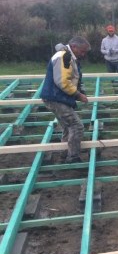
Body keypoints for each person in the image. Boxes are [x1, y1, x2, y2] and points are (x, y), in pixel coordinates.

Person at [41, 36, 90, 164]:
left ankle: (65, 152)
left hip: (56, 96)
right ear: (74, 47)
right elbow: (62, 81)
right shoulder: (64, 57)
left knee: (68, 126)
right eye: (82, 51)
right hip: (56, 97)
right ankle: (73, 157)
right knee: (77, 126)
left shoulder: (70, 57)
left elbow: (74, 77)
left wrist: (80, 90)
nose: (83, 54)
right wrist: (78, 95)